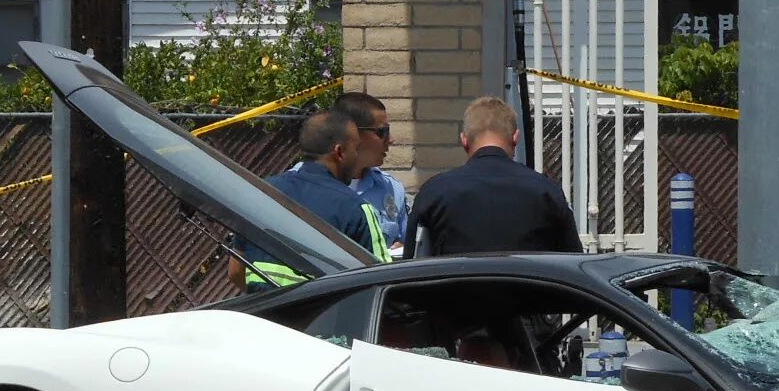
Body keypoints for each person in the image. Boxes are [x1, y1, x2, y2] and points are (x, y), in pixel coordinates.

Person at [405, 96, 584, 258]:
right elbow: (572, 265)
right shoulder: (547, 192)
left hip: (455, 293)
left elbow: (411, 268)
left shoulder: (434, 192)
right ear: (516, 137)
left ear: (464, 140)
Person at [233, 108, 392, 288]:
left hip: (261, 312)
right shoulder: (356, 209)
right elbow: (382, 283)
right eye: (356, 149)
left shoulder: (261, 192)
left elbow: (236, 271)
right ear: (339, 152)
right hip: (324, 315)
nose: (356, 156)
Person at [288, 91, 408, 256]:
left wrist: (402, 248)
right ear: (353, 132)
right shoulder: (295, 187)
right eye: (382, 132)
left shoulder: (391, 188)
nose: (391, 139)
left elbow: (407, 241)